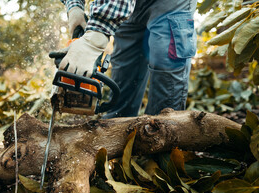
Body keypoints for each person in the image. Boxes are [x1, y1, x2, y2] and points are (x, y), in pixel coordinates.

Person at [57, 0, 197, 117]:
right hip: (131, 7)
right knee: (125, 74)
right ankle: (118, 134)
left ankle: (163, 139)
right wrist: (74, 6)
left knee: (165, 70)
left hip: (171, 3)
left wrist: (94, 40)